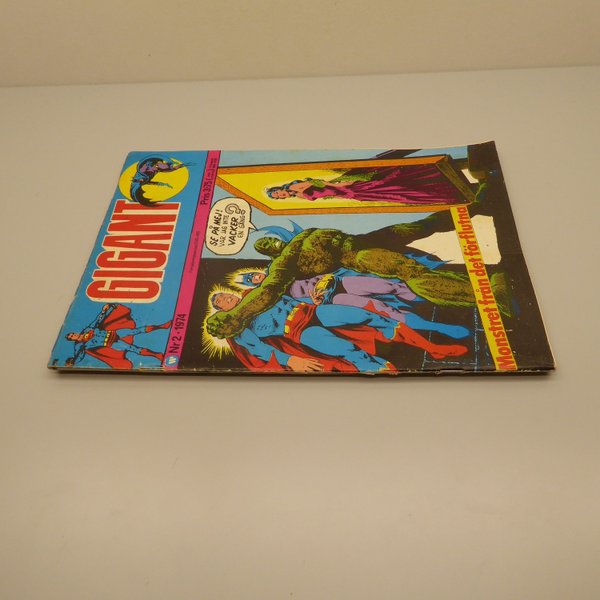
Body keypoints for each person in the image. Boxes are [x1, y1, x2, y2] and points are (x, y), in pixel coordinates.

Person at [206, 221, 511, 339]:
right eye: (264, 247)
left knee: (421, 227)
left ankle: (472, 207)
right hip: (357, 256)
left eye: (267, 240)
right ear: (268, 254)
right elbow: (267, 293)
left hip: (360, 239)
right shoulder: (283, 265)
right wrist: (236, 316)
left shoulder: (299, 239)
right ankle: (488, 294)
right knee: (410, 273)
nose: (269, 244)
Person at [210, 291, 467, 373]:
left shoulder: (255, 293)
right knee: (348, 351)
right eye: (221, 301)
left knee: (371, 316)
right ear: (222, 310)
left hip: (313, 311)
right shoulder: (237, 327)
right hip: (300, 333)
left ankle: (432, 348)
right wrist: (291, 360)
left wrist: (311, 298)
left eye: (225, 294)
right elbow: (259, 349)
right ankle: (389, 373)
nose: (225, 298)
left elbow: (284, 292)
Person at [229, 268, 469, 340]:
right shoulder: (271, 297)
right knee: (383, 310)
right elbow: (302, 307)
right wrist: (315, 301)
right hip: (334, 299)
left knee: (391, 286)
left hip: (340, 281)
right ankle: (438, 327)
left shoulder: (280, 269)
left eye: (253, 274)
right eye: (250, 280)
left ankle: (433, 298)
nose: (254, 278)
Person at [265, 164, 470, 206]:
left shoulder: (295, 187)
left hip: (346, 187)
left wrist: (342, 185)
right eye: (279, 198)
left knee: (393, 188)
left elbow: (317, 183)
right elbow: (325, 195)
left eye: (278, 193)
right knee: (395, 196)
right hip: (348, 194)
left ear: (279, 189)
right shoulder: (297, 196)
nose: (281, 195)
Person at [65, 304, 171, 368]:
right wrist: (72, 362)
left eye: (72, 334)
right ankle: (157, 355)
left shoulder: (87, 330)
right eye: (71, 337)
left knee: (137, 330)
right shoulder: (79, 346)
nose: (74, 335)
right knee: (134, 349)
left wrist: (104, 311)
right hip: (113, 343)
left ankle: (162, 326)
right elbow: (78, 356)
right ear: (72, 340)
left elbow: (97, 321)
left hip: (114, 333)